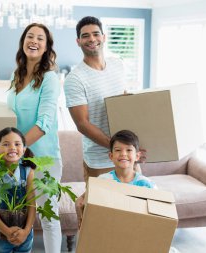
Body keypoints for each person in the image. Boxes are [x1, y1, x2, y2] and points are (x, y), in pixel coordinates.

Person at [64, 16, 145, 182]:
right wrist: (116, 147)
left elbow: (123, 104)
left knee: (135, 205)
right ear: (78, 41)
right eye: (85, 36)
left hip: (128, 156)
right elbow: (82, 124)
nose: (92, 39)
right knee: (100, 206)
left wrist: (130, 148)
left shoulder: (117, 65)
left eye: (96, 34)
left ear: (104, 37)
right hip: (99, 160)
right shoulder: (75, 78)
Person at [7, 23, 62, 253]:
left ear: (47, 46)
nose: (34, 41)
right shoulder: (15, 75)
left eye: (41, 38)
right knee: (17, 216)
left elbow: (44, 123)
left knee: (48, 218)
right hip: (16, 161)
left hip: (44, 161)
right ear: (23, 41)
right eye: (30, 36)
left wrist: (16, 149)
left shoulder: (50, 79)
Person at [76, 129, 156, 228]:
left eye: (129, 150)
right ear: (111, 156)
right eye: (118, 150)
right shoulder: (103, 181)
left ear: (137, 156)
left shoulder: (146, 184)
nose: (123, 154)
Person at [0, 127, 36, 253]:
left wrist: (26, 231)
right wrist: (6, 231)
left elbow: (32, 203)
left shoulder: (28, 171)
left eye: (17, 144)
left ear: (24, 150)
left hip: (25, 232)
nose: (12, 148)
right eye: (6, 144)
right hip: (1, 231)